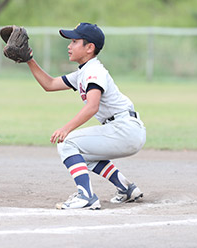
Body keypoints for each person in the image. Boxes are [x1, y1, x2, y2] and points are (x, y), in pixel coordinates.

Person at [11, 23, 146, 209]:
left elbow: (92, 106)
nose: (69, 45)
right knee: (82, 154)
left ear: (89, 48)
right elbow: (49, 84)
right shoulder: (83, 72)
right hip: (124, 129)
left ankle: (86, 196)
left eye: (75, 41)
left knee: (67, 143)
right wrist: (29, 60)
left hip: (124, 129)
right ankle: (125, 188)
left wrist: (66, 129)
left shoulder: (94, 71)